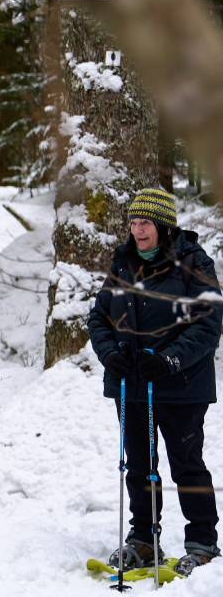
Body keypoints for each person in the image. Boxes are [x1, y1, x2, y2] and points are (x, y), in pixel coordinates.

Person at [87, 187, 221, 576]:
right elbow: (99, 318)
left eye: (144, 222)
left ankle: (202, 542)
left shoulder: (193, 263)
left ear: (163, 226)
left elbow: (209, 322)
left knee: (186, 464)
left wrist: (168, 360)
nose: (137, 229)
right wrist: (110, 353)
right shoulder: (123, 262)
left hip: (181, 385)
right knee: (140, 465)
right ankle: (144, 539)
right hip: (130, 384)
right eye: (132, 222)